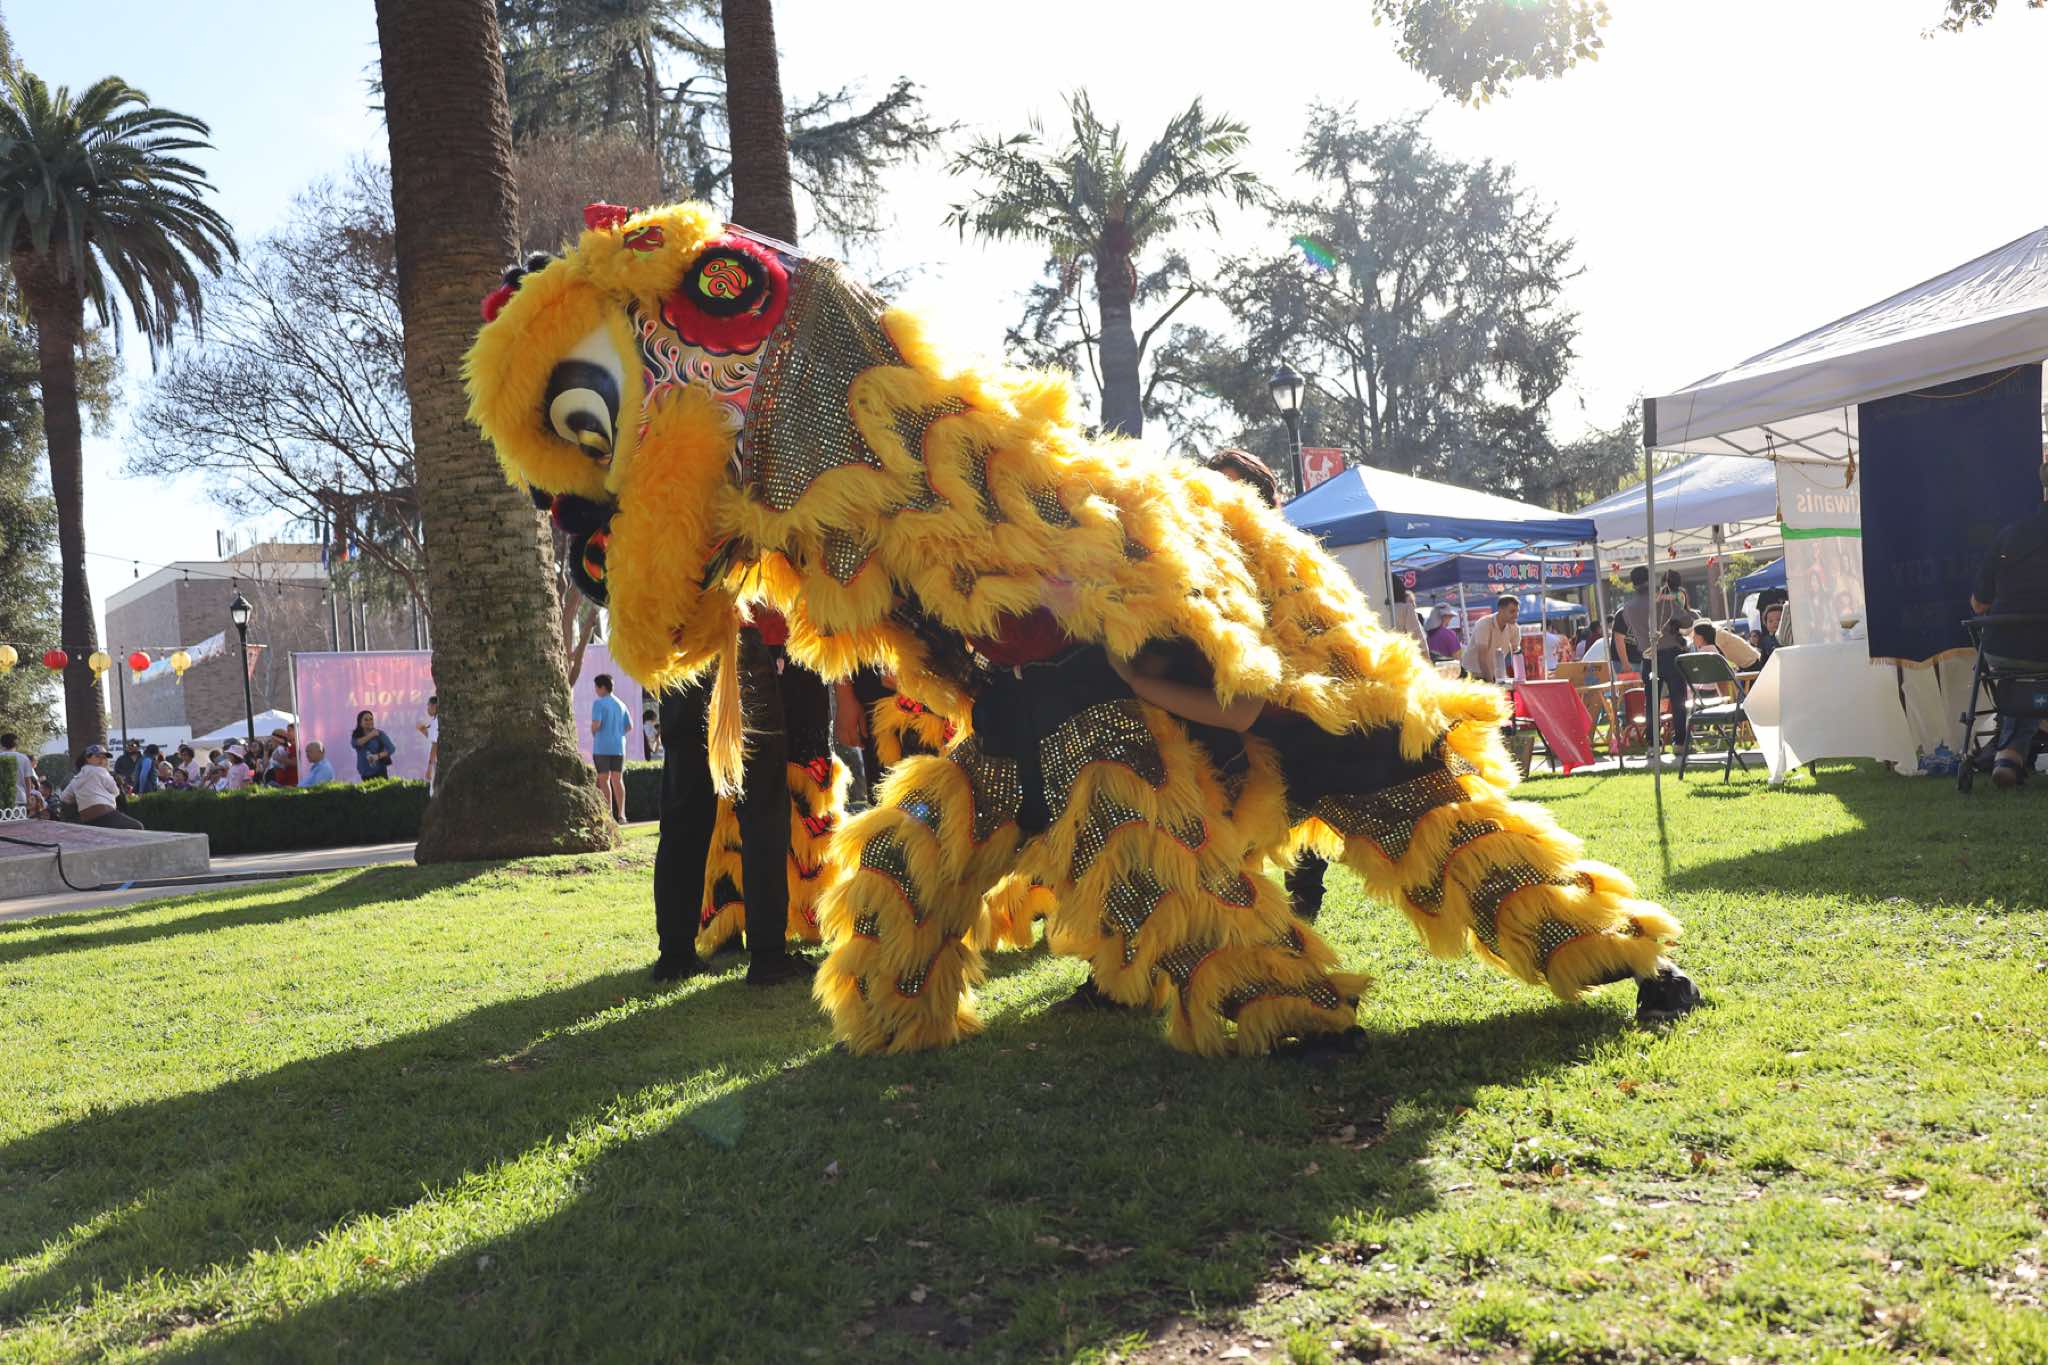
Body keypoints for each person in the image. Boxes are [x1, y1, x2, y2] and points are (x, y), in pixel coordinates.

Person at [1969, 460, 2048, 787]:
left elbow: (1978, 604)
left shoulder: (2010, 534)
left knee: (2023, 675)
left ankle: (2010, 755)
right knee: (2037, 666)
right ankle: (2025, 740)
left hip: (2002, 650)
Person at [1620, 567, 1699, 756]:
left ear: (1633, 583)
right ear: (1650, 579)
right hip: (1671, 654)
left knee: (1651, 703)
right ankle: (1680, 743)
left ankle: (1652, 745)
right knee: (1678, 700)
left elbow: (1631, 629)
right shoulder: (1663, 602)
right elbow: (1688, 622)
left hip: (1648, 657)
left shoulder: (1627, 608)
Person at [60, 744, 143, 829]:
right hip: (106, 814)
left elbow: (64, 798)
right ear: (87, 758)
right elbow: (115, 791)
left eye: (104, 757)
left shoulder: (76, 779)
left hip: (87, 819)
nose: (102, 760)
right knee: (138, 826)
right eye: (97, 756)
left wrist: (81, 797)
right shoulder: (101, 770)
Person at [589, 673, 633, 822]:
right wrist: (618, 733)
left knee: (603, 779)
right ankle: (622, 815)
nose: (595, 690)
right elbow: (629, 726)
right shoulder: (621, 704)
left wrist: (593, 731)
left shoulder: (599, 703)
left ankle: (609, 815)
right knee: (617, 779)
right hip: (619, 747)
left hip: (602, 747)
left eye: (596, 687)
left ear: (602, 687)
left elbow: (596, 724)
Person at [1461, 595, 1522, 683]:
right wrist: (1491, 684)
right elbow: (1482, 658)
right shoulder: (1484, 624)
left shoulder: (1515, 628)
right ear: (1500, 610)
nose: (1516, 615)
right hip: (1470, 675)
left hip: (1492, 674)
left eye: (1517, 611)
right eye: (1512, 611)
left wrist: (1518, 678)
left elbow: (1516, 655)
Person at [1691, 619, 1760, 671]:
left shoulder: (1719, 639)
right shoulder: (1716, 637)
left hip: (1753, 664)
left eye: (1695, 635)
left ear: (1701, 636)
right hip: (1748, 664)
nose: (1693, 638)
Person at [351, 711, 395, 781]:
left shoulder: (379, 734)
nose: (369, 721)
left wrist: (377, 756)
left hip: (379, 771)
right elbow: (356, 743)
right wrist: (371, 735)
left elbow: (391, 749)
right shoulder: (356, 735)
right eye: (366, 719)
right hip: (364, 773)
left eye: (371, 719)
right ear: (360, 722)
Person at [1390, 576, 1429, 653]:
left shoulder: (1376, 609)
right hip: (1403, 656)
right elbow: (1418, 639)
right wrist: (1426, 658)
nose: (1413, 604)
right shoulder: (1405, 609)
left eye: (1412, 601)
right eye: (1410, 601)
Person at [0, 731, 30, 811]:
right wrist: (28, 798)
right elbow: (27, 781)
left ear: (2, 744)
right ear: (16, 744)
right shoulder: (24, 758)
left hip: (2, 799)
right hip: (20, 798)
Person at [417, 696, 440, 794]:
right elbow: (432, 738)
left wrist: (430, 767)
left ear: (434, 706)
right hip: (436, 762)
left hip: (436, 763)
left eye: (428, 705)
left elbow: (435, 745)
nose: (428, 708)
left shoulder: (436, 722)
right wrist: (423, 730)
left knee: (435, 793)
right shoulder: (435, 721)